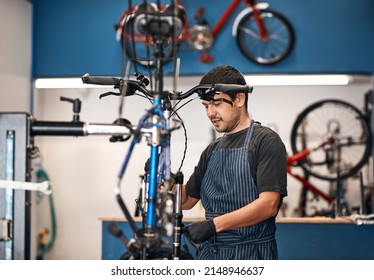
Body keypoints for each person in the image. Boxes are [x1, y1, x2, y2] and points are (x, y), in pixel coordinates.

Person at [181, 65, 287, 260]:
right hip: (210, 255)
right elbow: (186, 201)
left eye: (216, 103)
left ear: (239, 98)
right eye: (206, 106)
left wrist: (213, 225)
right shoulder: (212, 150)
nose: (210, 113)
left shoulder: (265, 141)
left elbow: (269, 204)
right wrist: (165, 178)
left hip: (251, 255)